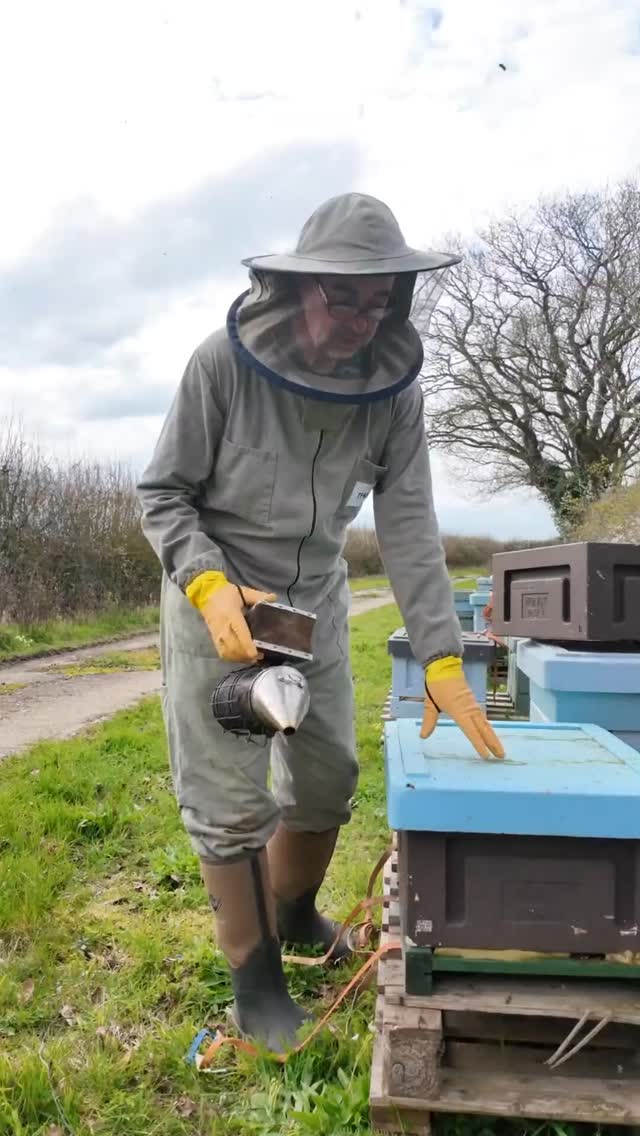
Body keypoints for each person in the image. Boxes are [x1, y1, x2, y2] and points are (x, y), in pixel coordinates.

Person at [137, 192, 504, 1053]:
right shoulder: (219, 367)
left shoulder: (392, 394)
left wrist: (444, 660)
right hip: (220, 605)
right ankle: (254, 984)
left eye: (381, 301)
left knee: (329, 772)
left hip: (315, 601)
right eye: (346, 298)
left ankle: (296, 914)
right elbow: (163, 494)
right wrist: (204, 583)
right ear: (299, 287)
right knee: (229, 801)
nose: (362, 319)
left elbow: (410, 526)